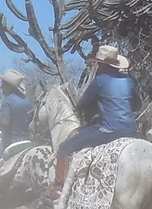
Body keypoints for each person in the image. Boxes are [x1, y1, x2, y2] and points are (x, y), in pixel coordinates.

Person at [53, 45, 139, 192]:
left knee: (64, 148)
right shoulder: (128, 81)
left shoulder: (99, 81)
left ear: (102, 65)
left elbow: (82, 104)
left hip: (108, 130)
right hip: (131, 131)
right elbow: (137, 105)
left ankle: (59, 188)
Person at [0, 70, 35, 179]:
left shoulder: (8, 101)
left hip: (10, 142)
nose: (1, 87)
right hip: (27, 141)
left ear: (8, 86)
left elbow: (5, 122)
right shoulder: (28, 101)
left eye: (3, 84)